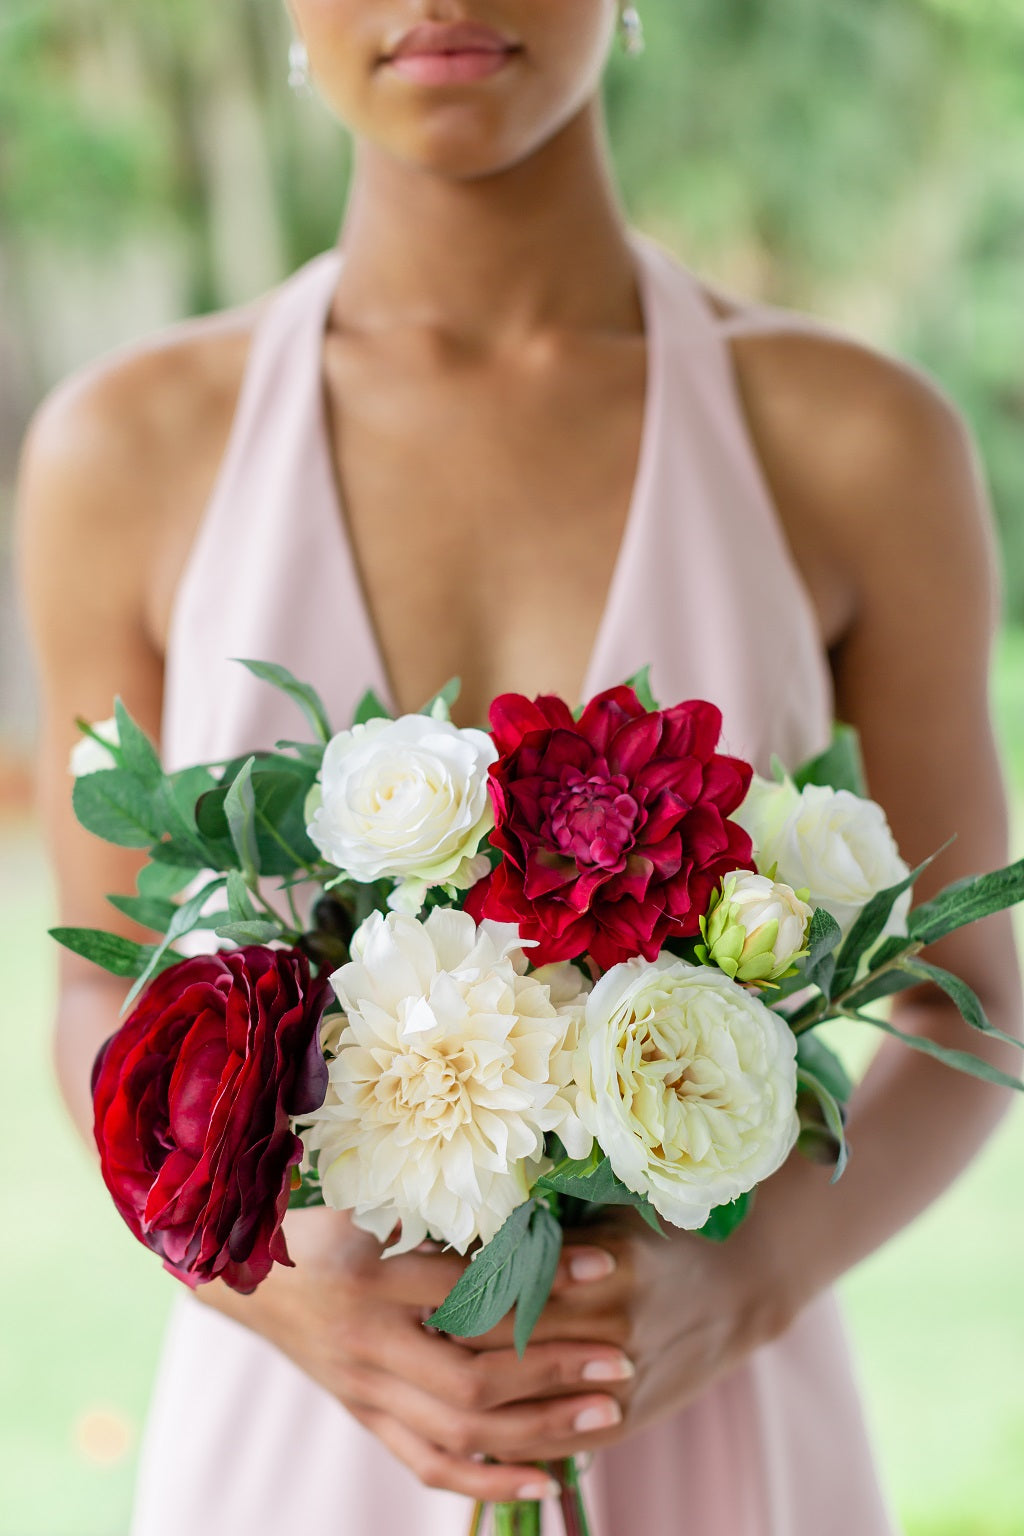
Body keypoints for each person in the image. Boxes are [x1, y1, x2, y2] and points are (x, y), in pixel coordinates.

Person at [16, 3, 1022, 1533]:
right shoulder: (126, 448)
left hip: (706, 1422)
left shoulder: (857, 440)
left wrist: (745, 1287)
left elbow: (979, 992)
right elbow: (99, 995)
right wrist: (297, 1306)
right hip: (298, 1445)